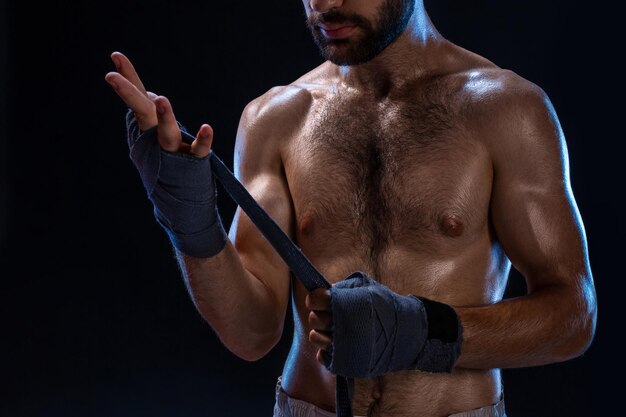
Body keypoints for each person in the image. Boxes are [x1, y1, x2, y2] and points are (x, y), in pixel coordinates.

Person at [104, 1, 597, 416]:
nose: (324, 3)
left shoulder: (505, 108)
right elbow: (250, 332)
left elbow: (573, 315)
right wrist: (186, 216)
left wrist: (420, 333)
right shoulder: (276, 118)